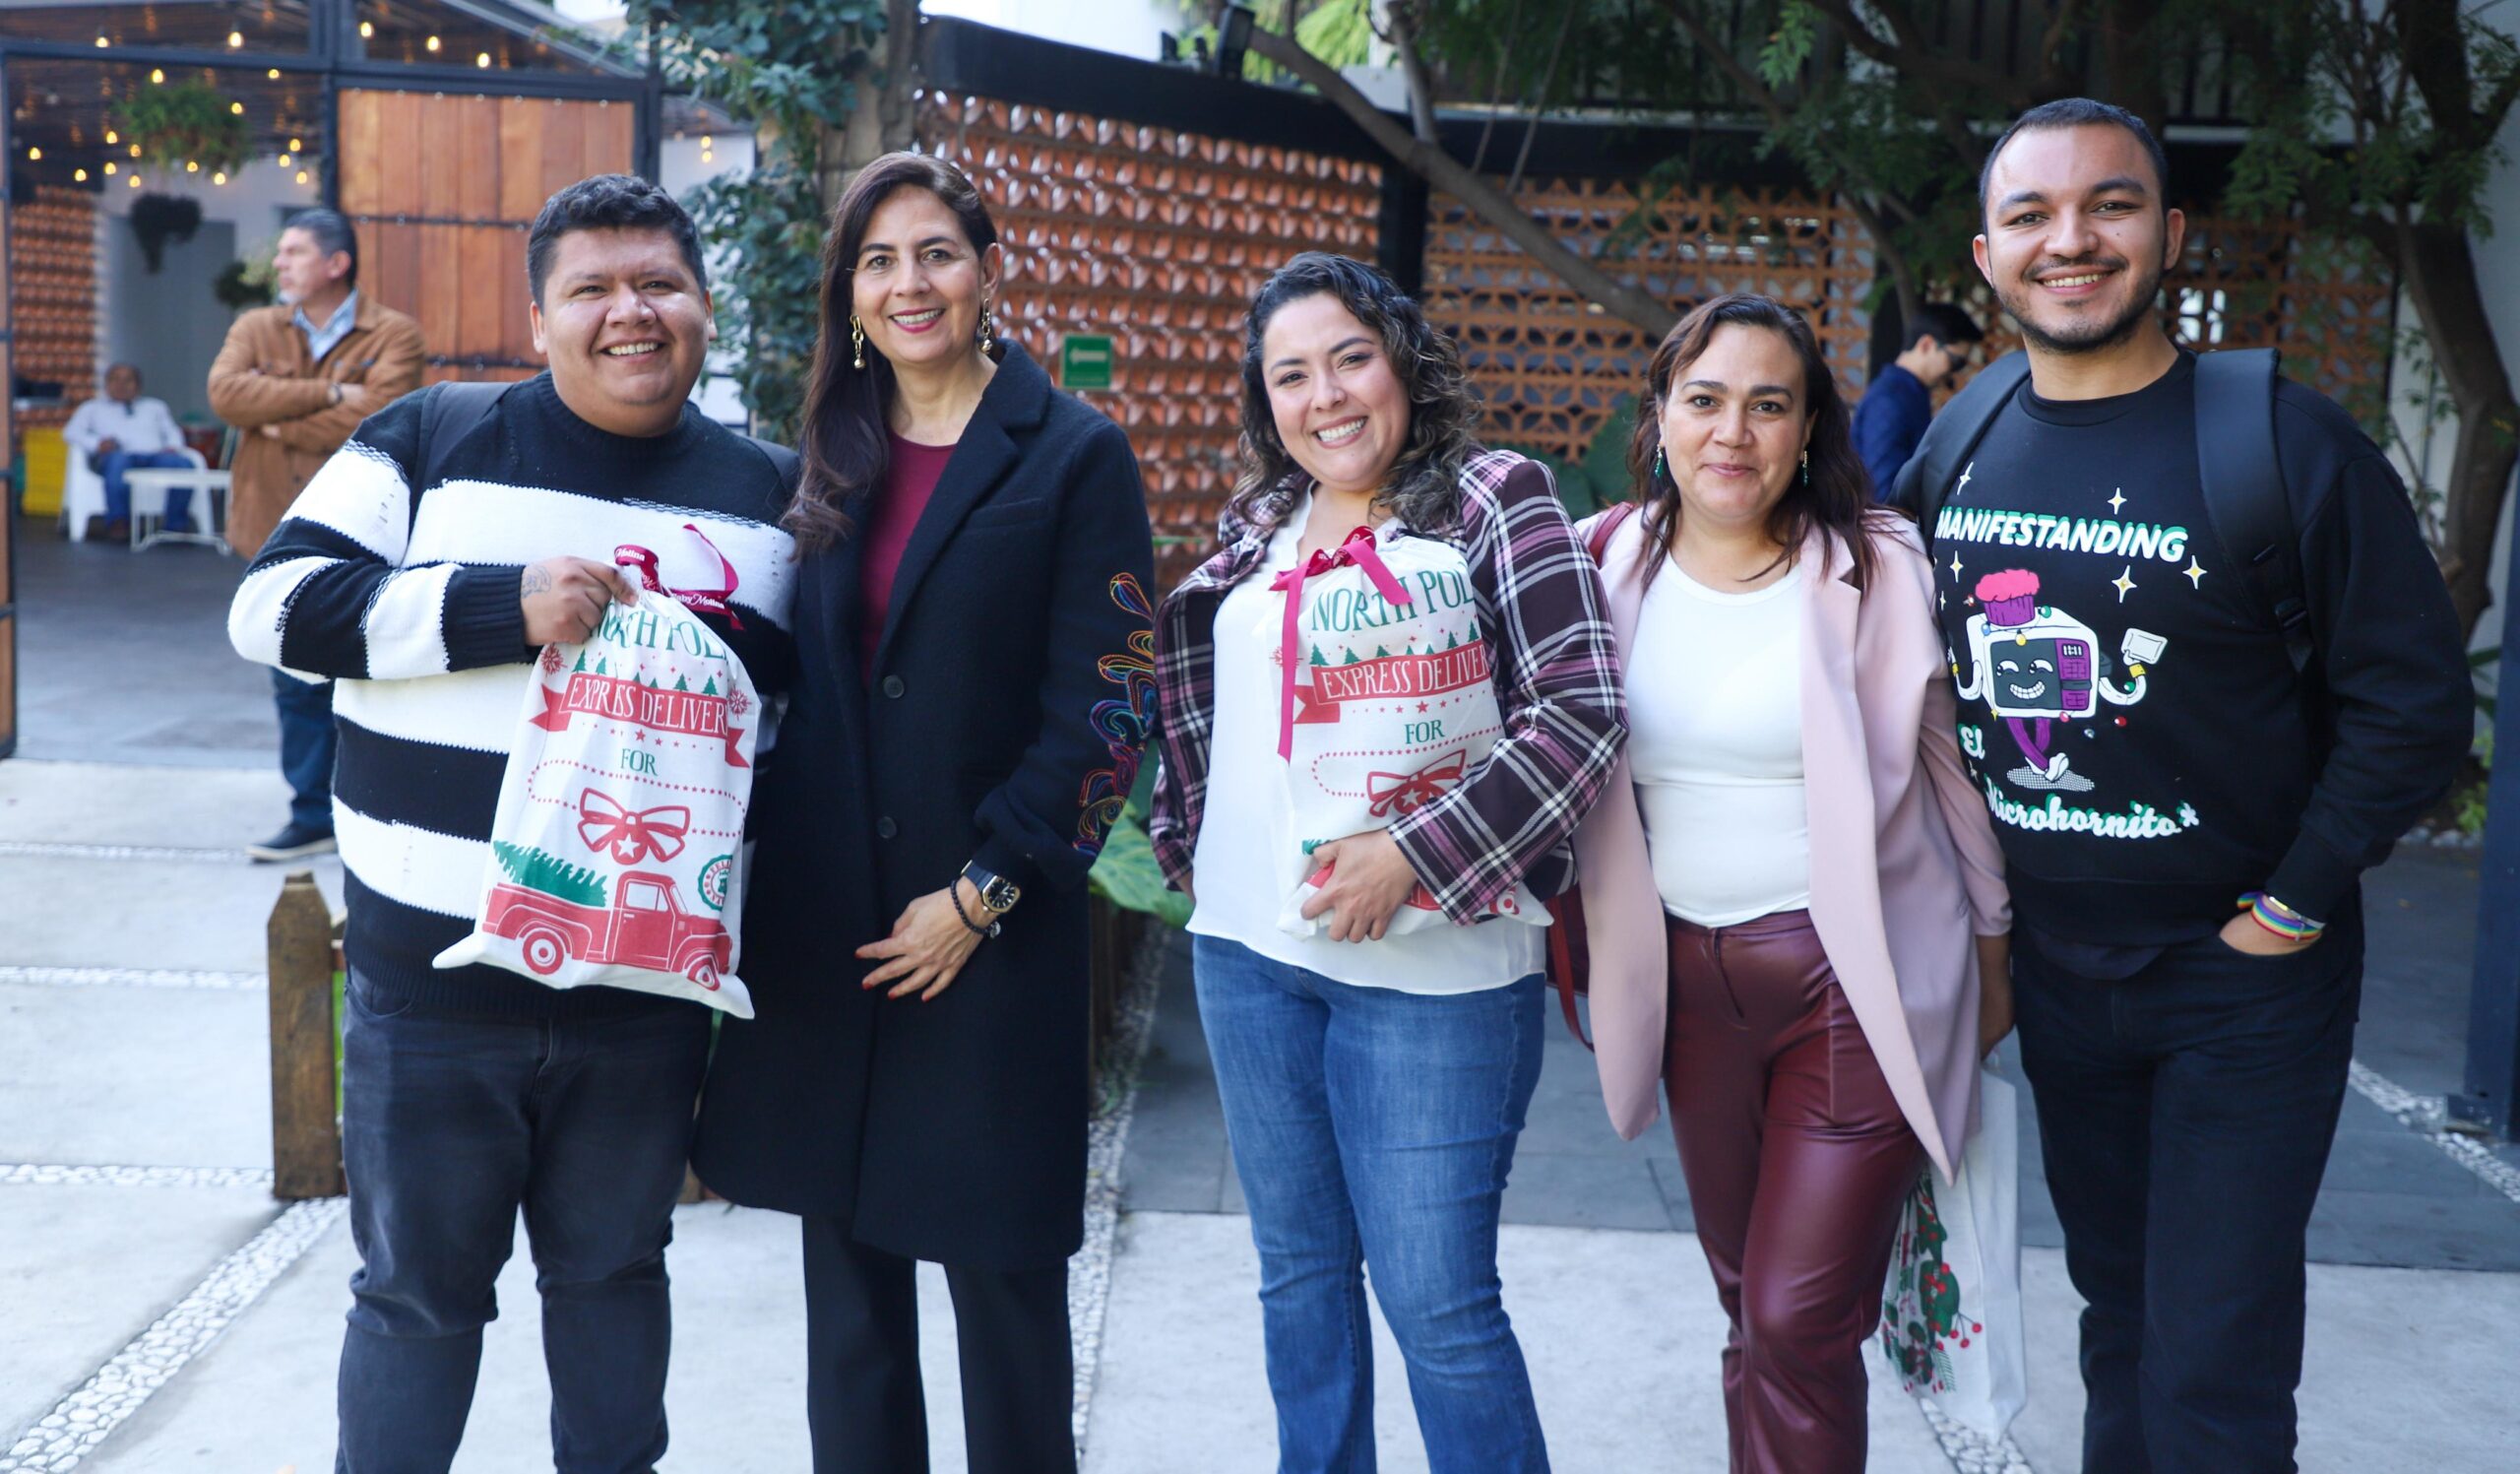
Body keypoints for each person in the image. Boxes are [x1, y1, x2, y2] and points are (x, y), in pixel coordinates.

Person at [1893, 98, 2472, 1473]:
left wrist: (2293, 903)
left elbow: (2413, 706)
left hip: (2243, 977)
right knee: (2120, 1317)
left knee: (2216, 1362)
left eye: (2111, 204)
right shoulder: (1960, 439)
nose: (2071, 239)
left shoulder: (2285, 442)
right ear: (1987, 255)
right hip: (2057, 970)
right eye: (2031, 214)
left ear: (2170, 230)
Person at [227, 175, 799, 1474]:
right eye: (590, 288)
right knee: (416, 1303)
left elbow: (794, 731)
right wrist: (499, 606)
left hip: (642, 1003)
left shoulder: (771, 498)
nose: (628, 312)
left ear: (703, 307)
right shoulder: (434, 437)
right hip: (429, 998)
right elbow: (271, 609)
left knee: (615, 1281)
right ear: (537, 319)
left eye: (657, 283)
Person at [688, 152, 1155, 1474]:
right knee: (850, 1317)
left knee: (1005, 1301)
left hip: (983, 939)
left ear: (985, 270)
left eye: (937, 252)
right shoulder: (831, 452)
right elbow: (804, 670)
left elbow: (1107, 707)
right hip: (832, 934)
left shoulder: (1072, 453)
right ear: (849, 290)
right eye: (879, 261)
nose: (910, 283)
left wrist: (983, 891)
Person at [1146, 252, 1625, 1474]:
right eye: (1291, 375)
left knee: (1439, 1312)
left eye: (1350, 358)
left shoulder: (1494, 498)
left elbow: (1581, 715)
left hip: (1435, 978)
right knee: (1298, 1282)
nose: (1327, 396)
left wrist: (1412, 854)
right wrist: (1186, 845)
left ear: (1402, 360)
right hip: (1246, 959)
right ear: (1265, 401)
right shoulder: (1260, 522)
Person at [1563, 292, 2011, 1473]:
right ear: (1659, 415)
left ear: (1809, 427)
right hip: (1685, 988)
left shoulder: (1876, 564)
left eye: (1768, 405)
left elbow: (1948, 770)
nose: (1732, 432)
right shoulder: (1598, 563)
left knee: (1793, 1317)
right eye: (1703, 400)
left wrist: (1993, 951)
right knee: (1748, 1305)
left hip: (1849, 985)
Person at [209, 208, 425, 862]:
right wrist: (331, 393)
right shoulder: (255, 326)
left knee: (360, 670)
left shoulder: (394, 334)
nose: (279, 263)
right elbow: (226, 395)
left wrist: (276, 415)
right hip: (271, 529)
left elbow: (379, 417)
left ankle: (367, 807)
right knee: (291, 674)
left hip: (362, 535)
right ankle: (312, 814)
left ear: (336, 263)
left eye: (294, 252)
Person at [1852, 301, 1981, 498]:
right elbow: (1883, 491)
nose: (1953, 372)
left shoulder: (1909, 394)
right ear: (1926, 344)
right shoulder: (1890, 399)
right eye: (1955, 361)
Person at [62, 362, 193, 540]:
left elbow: (172, 431)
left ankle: (175, 526)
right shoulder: (91, 408)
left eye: (127, 380)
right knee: (118, 461)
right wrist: (97, 443)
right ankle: (118, 522)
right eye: (115, 380)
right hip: (116, 456)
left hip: (154, 457)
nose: (121, 385)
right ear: (106, 384)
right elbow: (71, 432)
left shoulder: (155, 406)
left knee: (184, 464)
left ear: (138, 385)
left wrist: (173, 446)